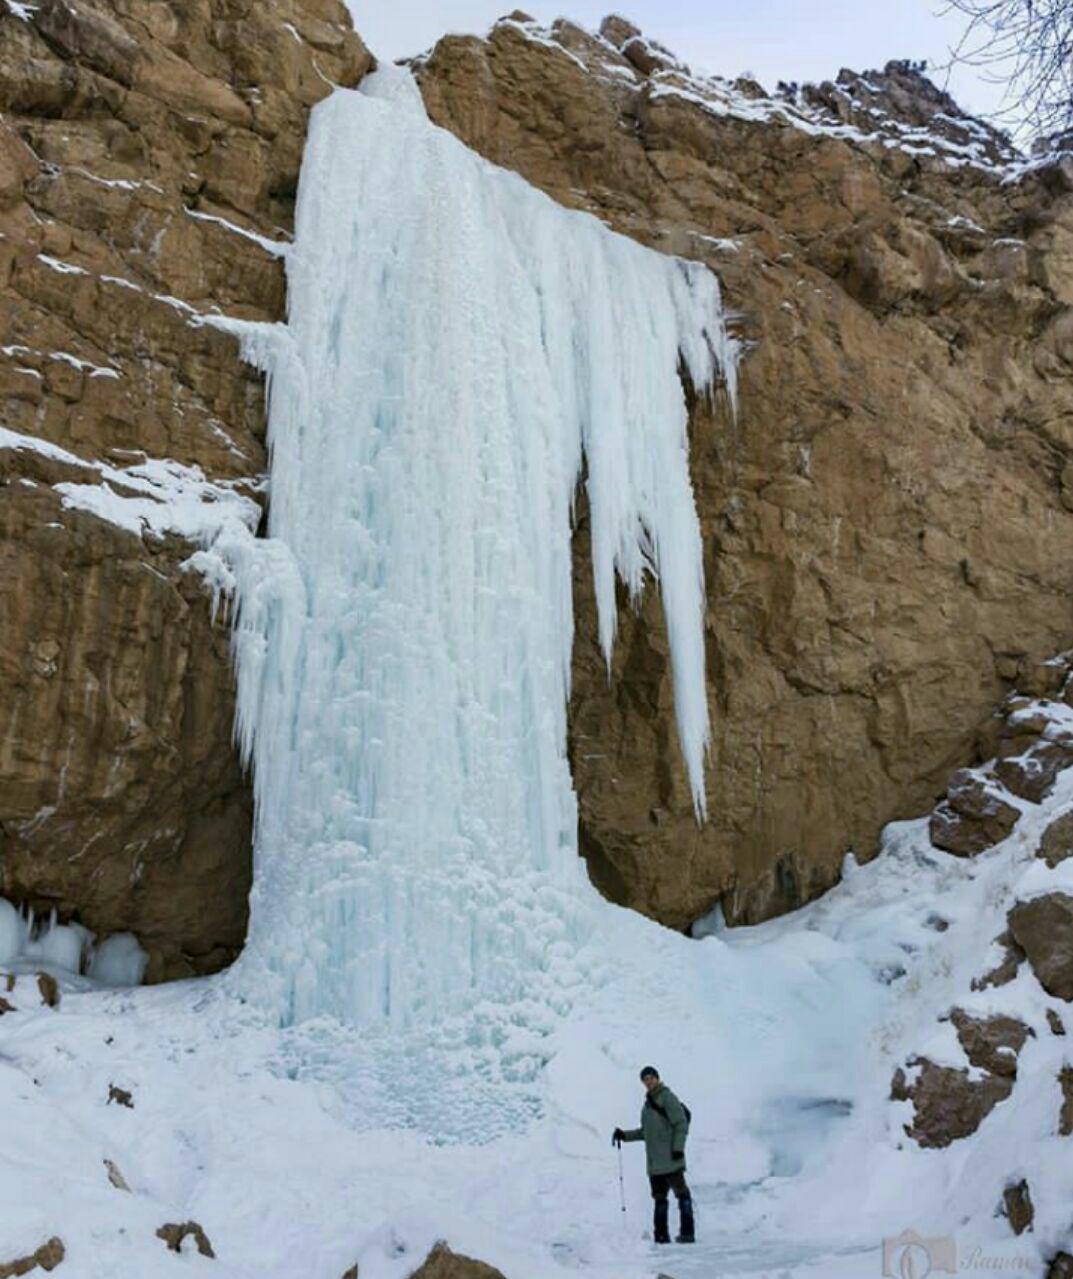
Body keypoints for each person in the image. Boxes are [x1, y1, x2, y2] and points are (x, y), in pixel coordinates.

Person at [613, 1066, 695, 1245]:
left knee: (682, 1195)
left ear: (657, 1078)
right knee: (659, 1199)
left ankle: (687, 1233)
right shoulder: (648, 1104)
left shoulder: (667, 1097)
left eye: (651, 1078)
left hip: (672, 1159)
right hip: (655, 1163)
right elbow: (645, 1133)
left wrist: (678, 1149)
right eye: (645, 1080)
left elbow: (681, 1124)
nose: (648, 1082)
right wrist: (624, 1135)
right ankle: (661, 1236)